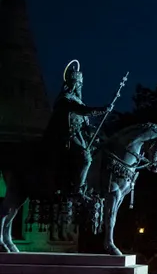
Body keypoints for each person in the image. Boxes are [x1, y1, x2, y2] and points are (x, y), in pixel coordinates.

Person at [42, 59, 114, 199]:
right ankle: (78, 189)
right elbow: (82, 111)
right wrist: (102, 110)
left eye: (81, 84)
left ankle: (90, 185)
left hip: (79, 135)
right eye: (77, 84)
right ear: (70, 84)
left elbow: (85, 122)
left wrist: (95, 132)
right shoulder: (65, 99)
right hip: (66, 136)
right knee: (85, 158)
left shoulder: (77, 100)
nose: (79, 86)